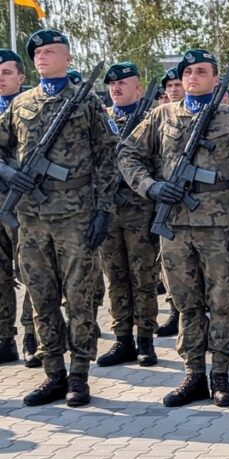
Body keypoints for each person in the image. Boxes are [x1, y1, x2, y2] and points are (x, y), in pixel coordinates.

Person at [118, 49, 229, 408]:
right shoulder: (162, 115)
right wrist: (151, 186)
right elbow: (127, 154)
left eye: (201, 72)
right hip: (176, 226)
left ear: (215, 79)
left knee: (223, 304)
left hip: (220, 226)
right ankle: (194, 374)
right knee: (187, 304)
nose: (193, 77)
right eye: (187, 72)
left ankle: (221, 376)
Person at [0, 29, 119, 407]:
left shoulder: (85, 104)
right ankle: (53, 371)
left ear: (67, 59)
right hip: (32, 219)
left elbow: (107, 159)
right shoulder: (20, 105)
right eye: (37, 52)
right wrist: (7, 173)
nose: (41, 57)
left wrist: (103, 210)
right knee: (41, 297)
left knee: (80, 298)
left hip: (76, 215)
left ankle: (79, 375)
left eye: (50, 52)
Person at [97, 62, 160, 368]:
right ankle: (123, 338)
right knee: (115, 275)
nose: (116, 88)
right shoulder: (101, 120)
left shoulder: (152, 119)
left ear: (138, 86)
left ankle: (146, 340)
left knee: (143, 275)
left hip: (140, 208)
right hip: (109, 209)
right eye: (112, 84)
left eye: (123, 83)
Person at [0, 49, 26, 364]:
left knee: (29, 271)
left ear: (21, 76)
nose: (0, 78)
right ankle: (5, 338)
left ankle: (34, 336)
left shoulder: (30, 109)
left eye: (7, 72)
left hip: (22, 203)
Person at [155, 66, 185, 339]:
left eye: (178, 84)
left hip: (209, 216)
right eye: (171, 86)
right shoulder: (160, 117)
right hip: (167, 208)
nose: (174, 89)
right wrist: (152, 186)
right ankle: (175, 312)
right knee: (169, 269)